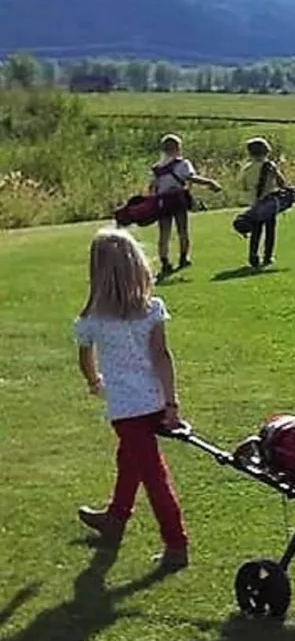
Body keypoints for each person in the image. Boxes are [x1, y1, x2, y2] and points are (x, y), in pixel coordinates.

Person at [73, 228, 190, 571]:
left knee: (154, 475)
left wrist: (94, 381)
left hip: (126, 410)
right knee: (129, 460)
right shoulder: (151, 309)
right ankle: (115, 518)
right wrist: (170, 404)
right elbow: (162, 357)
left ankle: (176, 544)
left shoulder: (93, 318)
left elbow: (85, 358)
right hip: (153, 402)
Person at [149, 134, 221, 277]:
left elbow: (152, 187)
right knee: (182, 230)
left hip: (162, 202)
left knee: (164, 233)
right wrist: (210, 183)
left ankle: (165, 261)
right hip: (178, 201)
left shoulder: (156, 168)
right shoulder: (182, 163)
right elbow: (190, 178)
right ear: (177, 148)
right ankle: (183, 257)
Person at [243, 137, 291, 269]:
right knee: (270, 230)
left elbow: (244, 185)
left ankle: (253, 256)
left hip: (254, 203)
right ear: (266, 151)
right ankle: (267, 256)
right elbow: (281, 182)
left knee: (256, 231)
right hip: (269, 202)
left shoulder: (247, 168)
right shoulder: (270, 166)